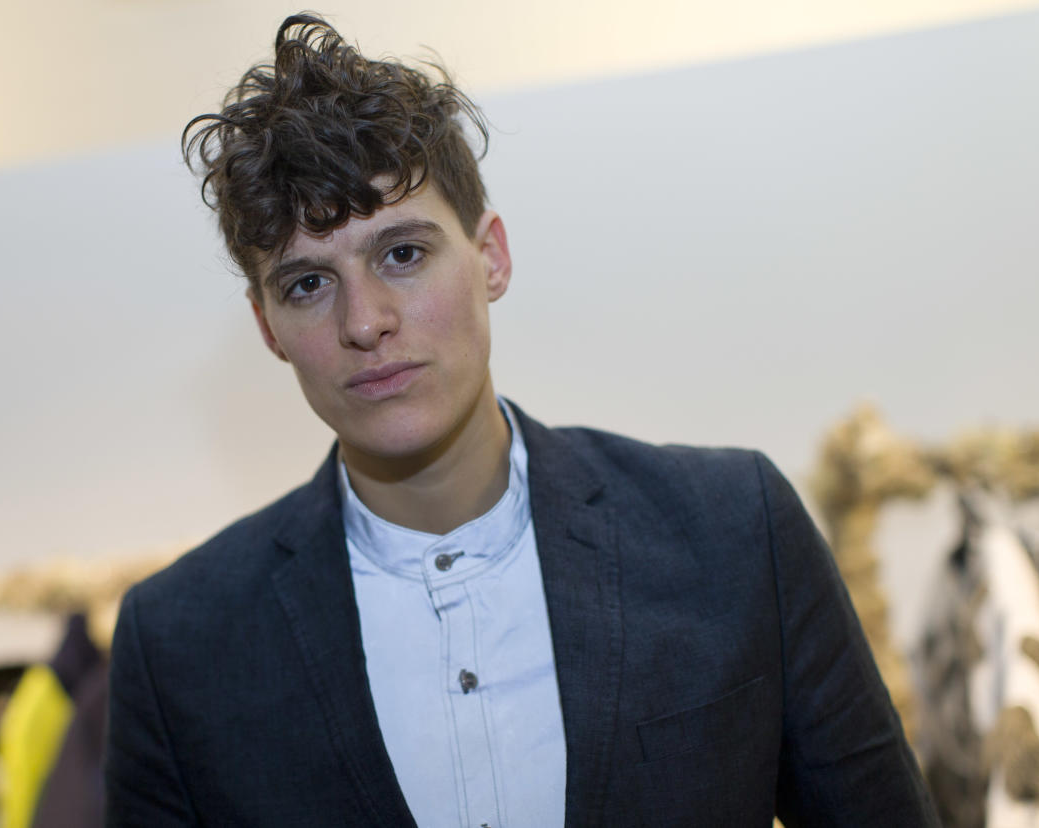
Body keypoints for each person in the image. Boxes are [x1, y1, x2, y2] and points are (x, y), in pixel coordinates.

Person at [104, 14, 939, 826]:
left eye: (402, 253)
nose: (365, 321)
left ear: (491, 257)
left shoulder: (731, 531)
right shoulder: (181, 645)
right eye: (307, 284)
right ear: (267, 329)